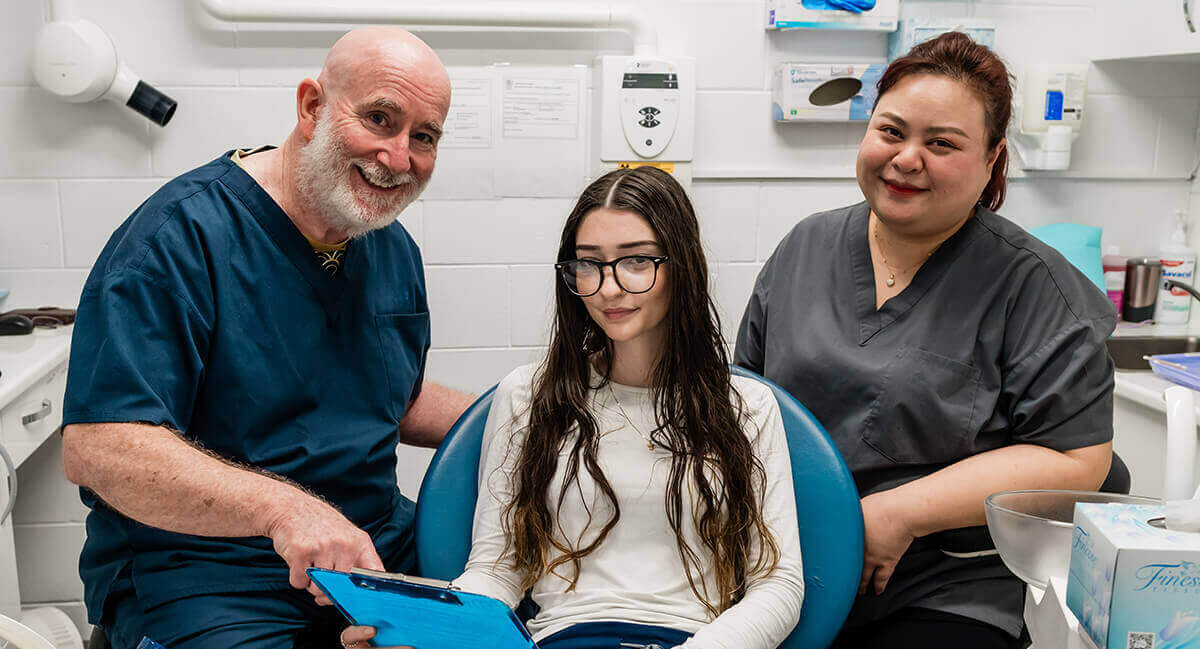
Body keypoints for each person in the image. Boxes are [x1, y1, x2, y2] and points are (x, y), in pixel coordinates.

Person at [59, 27, 475, 649]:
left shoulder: (388, 246)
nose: (397, 158)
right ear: (312, 108)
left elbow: (389, 392)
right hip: (209, 573)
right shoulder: (177, 241)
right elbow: (101, 447)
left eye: (423, 137)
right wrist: (285, 510)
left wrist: (524, 417)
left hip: (368, 554)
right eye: (380, 119)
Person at [734, 32, 1115, 649]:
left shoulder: (1035, 287)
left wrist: (895, 514)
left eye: (942, 143)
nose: (907, 158)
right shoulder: (805, 247)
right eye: (891, 131)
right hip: (783, 570)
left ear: (992, 159)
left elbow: (1079, 460)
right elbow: (743, 398)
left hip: (946, 588)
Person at [340, 166, 805, 649]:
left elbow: (778, 585)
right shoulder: (528, 395)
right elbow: (496, 571)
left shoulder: (746, 406)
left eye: (636, 261)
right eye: (588, 263)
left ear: (681, 267)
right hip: (562, 638)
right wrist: (426, 631)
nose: (607, 288)